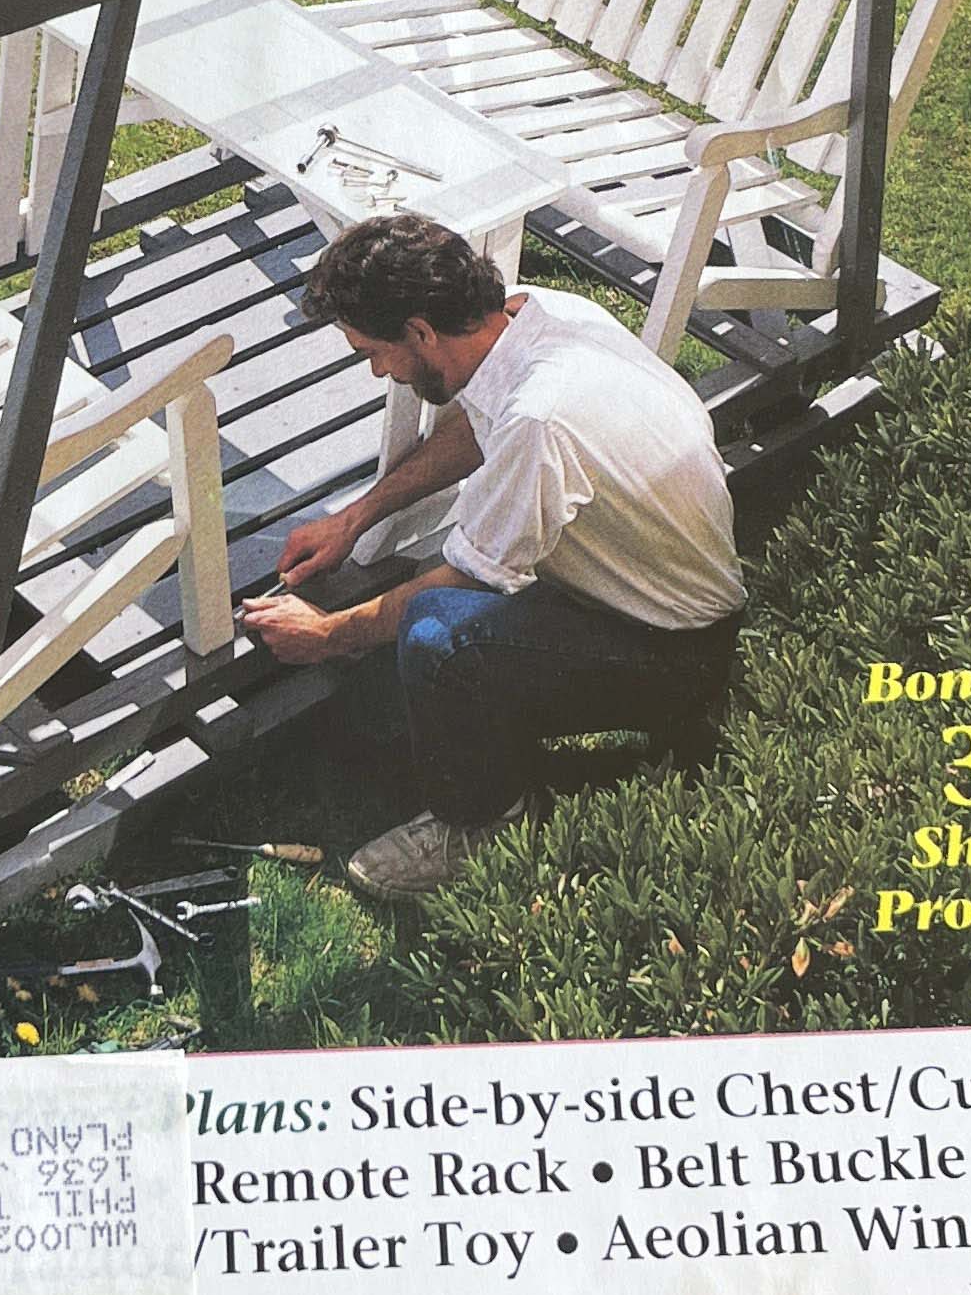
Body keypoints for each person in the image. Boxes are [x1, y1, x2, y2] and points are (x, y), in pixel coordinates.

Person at [235, 213, 745, 901]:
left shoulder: (540, 418)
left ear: (420, 332)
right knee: (421, 624)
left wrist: (326, 635)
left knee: (438, 638)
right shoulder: (541, 319)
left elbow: (465, 579)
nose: (380, 371)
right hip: (659, 596)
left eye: (373, 353)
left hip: (673, 655)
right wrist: (354, 518)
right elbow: (477, 431)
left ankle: (483, 820)